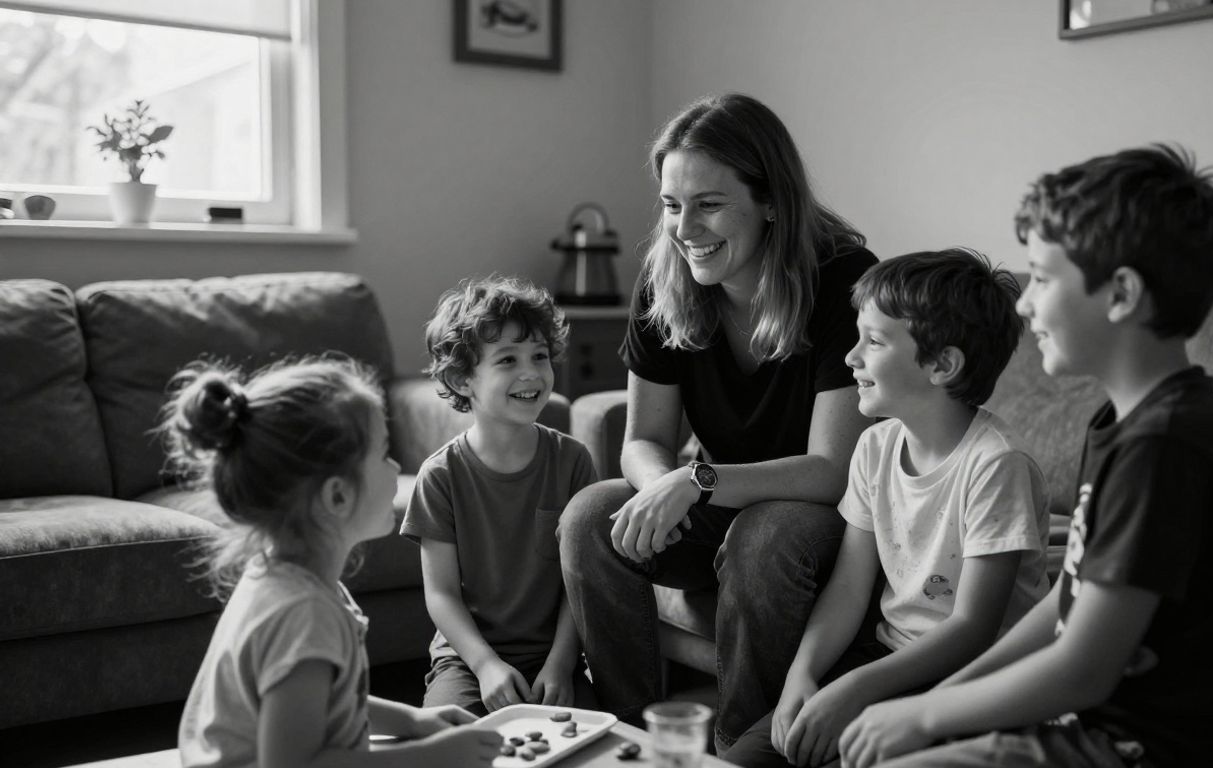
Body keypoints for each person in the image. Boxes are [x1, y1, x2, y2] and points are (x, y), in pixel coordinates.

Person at [838, 144, 1213, 768]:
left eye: (1043, 279)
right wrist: (942, 698)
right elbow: (1066, 600)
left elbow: (1082, 672)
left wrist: (924, 714)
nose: (1024, 302)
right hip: (1096, 730)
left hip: (1145, 748)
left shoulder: (1166, 447)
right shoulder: (1128, 421)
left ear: (1122, 293)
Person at [558, 92, 877, 751]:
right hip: (714, 497)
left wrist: (696, 480)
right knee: (590, 519)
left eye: (708, 204)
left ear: (769, 201)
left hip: (817, 513)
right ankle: (635, 740)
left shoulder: (844, 279)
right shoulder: (663, 277)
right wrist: (658, 487)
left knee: (765, 536)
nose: (685, 228)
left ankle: (739, 749)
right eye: (673, 205)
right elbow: (644, 439)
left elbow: (831, 470)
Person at [725, 249, 1051, 768]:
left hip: (968, 680)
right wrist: (801, 677)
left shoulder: (996, 466)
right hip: (885, 660)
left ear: (942, 364)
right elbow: (849, 589)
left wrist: (855, 690)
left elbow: (972, 628)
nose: (850, 357)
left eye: (873, 341)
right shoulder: (875, 449)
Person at [168, 358, 503, 768]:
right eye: (384, 454)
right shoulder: (304, 614)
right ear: (337, 497)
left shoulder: (286, 577)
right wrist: (427, 758)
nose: (397, 468)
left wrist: (413, 720)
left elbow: (324, 699)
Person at [401, 276, 598, 715]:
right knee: (446, 740)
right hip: (468, 660)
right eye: (507, 359)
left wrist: (562, 663)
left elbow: (578, 584)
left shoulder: (573, 461)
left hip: (555, 658)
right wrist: (486, 665)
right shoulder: (440, 476)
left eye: (540, 356)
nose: (531, 373)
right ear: (461, 378)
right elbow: (443, 594)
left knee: (591, 741)